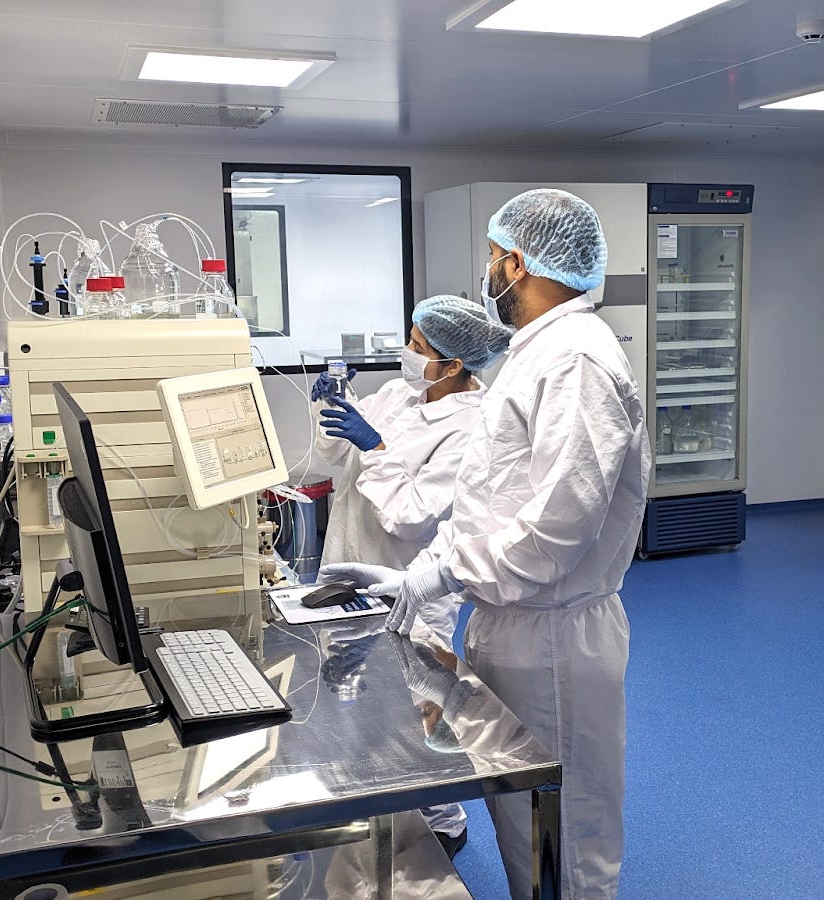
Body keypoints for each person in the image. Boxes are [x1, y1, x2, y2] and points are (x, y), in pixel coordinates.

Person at [324, 189, 650, 899]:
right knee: (525, 824)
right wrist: (427, 571)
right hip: (513, 620)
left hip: (553, 635)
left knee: (566, 834)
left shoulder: (576, 362)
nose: (489, 272)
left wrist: (440, 577)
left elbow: (556, 530)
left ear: (518, 263)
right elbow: (494, 500)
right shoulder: (540, 355)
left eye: (494, 256)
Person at [311, 293, 513, 857]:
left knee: (412, 712)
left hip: (411, 586)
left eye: (419, 346)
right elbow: (335, 454)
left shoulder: (472, 427)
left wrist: (374, 444)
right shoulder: (401, 393)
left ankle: (444, 821)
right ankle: (381, 804)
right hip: (352, 563)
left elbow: (411, 516)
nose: (407, 352)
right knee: (356, 696)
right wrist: (334, 405)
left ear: (454, 365)